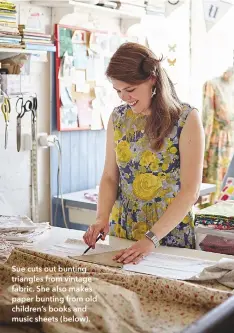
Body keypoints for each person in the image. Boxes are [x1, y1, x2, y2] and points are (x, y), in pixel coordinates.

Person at [83, 42, 204, 264]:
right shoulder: (118, 118)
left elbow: (190, 191)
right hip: (124, 231)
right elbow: (110, 176)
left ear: (152, 79)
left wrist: (151, 239)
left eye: (130, 90)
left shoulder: (186, 119)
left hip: (169, 235)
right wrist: (101, 218)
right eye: (118, 91)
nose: (124, 97)